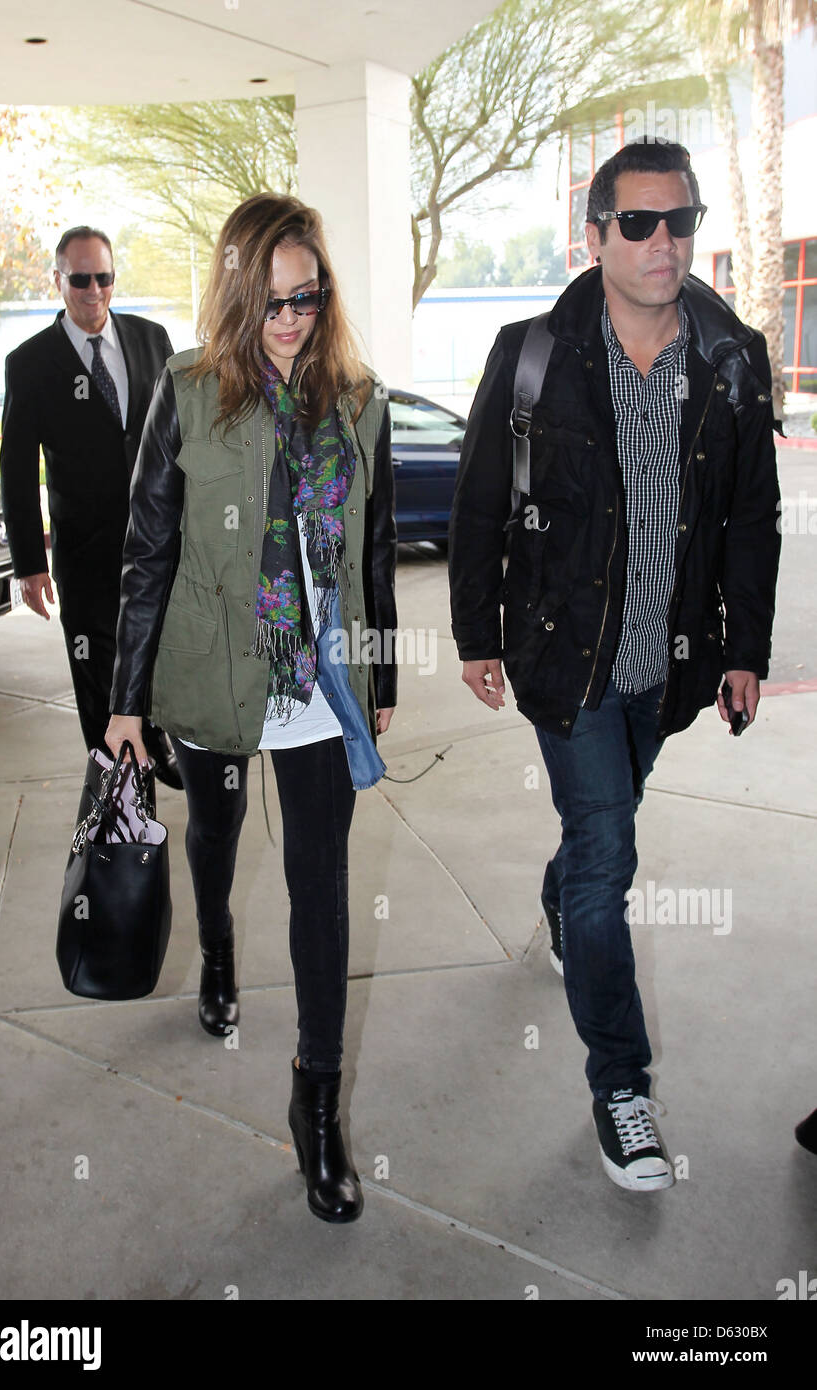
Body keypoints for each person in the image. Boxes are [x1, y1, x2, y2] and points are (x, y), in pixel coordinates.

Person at [448, 138, 781, 1192]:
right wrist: (476, 631)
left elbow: (750, 517)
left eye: (678, 220)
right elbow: (479, 503)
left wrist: (744, 650)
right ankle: (620, 1086)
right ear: (594, 236)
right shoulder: (534, 353)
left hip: (664, 669)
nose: (661, 242)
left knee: (605, 826)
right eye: (636, 223)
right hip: (565, 660)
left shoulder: (730, 358)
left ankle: (557, 902)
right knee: (608, 856)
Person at [105, 194, 397, 1223]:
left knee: (322, 891)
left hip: (316, 680)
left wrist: (382, 676)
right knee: (216, 835)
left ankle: (316, 1103)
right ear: (238, 294)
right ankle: (218, 943)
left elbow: (376, 553)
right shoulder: (186, 391)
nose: (290, 319)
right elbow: (145, 552)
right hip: (214, 669)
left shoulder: (359, 401)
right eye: (272, 300)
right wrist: (124, 702)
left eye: (307, 297)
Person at [0, 225, 180, 785]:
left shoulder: (153, 340)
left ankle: (156, 743)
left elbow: (181, 438)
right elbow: (16, 466)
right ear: (58, 280)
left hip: (156, 543)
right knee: (96, 668)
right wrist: (30, 563)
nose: (94, 290)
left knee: (153, 652)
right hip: (84, 554)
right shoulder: (30, 363)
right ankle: (116, 779)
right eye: (81, 279)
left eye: (103, 277)